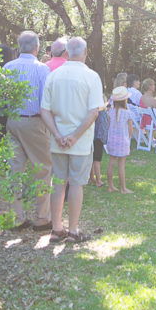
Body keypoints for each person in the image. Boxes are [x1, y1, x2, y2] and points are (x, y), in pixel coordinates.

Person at [40, 36, 104, 244]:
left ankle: (57, 228)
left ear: (67, 53)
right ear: (85, 52)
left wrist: (58, 135)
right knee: (76, 184)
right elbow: (93, 111)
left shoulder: (54, 75)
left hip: (58, 139)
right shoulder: (91, 76)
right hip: (81, 141)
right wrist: (74, 136)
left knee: (58, 182)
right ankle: (73, 229)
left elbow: (44, 110)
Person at [3, 31, 53, 233]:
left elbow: (0, 99)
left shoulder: (7, 68)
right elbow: (46, 103)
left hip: (13, 121)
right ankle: (42, 218)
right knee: (42, 170)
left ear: (18, 46)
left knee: (14, 171)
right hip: (34, 122)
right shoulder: (42, 70)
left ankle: (17, 217)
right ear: (36, 47)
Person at [105, 86, 135, 193]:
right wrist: (128, 137)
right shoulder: (127, 113)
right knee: (121, 165)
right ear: (125, 100)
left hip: (112, 140)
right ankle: (123, 188)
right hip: (123, 141)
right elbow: (130, 129)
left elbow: (109, 126)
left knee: (111, 162)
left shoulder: (110, 112)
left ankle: (110, 186)